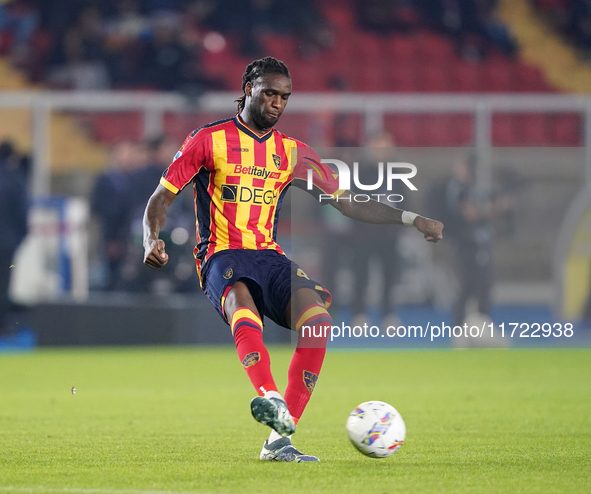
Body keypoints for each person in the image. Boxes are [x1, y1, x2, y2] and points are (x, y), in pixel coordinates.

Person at [142, 57, 443, 462]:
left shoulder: (293, 153)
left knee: (318, 322)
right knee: (243, 309)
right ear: (249, 87)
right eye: (269, 92)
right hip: (221, 254)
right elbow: (161, 197)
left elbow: (348, 203)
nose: (277, 102)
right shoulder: (208, 140)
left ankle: (278, 440)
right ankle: (269, 396)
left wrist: (411, 218)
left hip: (269, 255)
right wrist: (151, 240)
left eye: (284, 96)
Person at [0, 139, 28, 335]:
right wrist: (18, 239)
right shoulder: (14, 178)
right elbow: (22, 212)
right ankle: (3, 325)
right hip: (6, 242)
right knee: (3, 283)